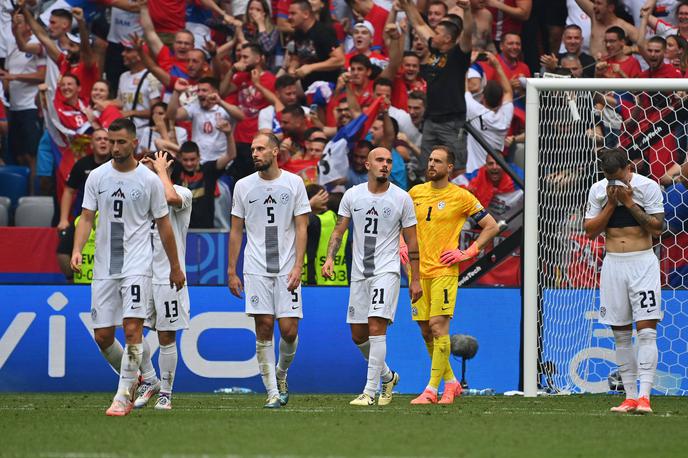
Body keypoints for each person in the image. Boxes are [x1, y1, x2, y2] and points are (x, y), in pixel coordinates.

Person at [70, 118, 185, 416]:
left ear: (134, 143)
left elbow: (164, 227)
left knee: (132, 328)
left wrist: (174, 266)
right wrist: (77, 249)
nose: (115, 147)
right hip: (105, 266)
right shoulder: (96, 176)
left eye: (121, 142)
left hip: (137, 264)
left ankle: (123, 394)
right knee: (103, 337)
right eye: (112, 141)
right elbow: (86, 217)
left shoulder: (148, 181)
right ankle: (141, 377)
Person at [322, 147, 423, 406]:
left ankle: (370, 391)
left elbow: (412, 241)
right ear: (367, 165)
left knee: (377, 326)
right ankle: (388, 376)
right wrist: (331, 257)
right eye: (380, 160)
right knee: (358, 334)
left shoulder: (401, 198)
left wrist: (415, 278)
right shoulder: (352, 195)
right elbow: (339, 230)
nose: (385, 165)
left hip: (385, 272)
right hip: (359, 274)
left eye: (389, 161)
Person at [406, 145, 498, 404]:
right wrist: (403, 245)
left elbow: (490, 226)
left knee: (438, 326)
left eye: (438, 161)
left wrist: (468, 252)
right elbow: (403, 224)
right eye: (430, 159)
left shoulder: (462, 196)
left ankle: (430, 390)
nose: (431, 164)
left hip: (444, 270)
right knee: (425, 330)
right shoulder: (415, 193)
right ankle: (451, 382)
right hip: (418, 270)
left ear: (449, 168)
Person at [227, 132, 311, 408]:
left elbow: (301, 226)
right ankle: (272, 392)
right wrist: (231, 270)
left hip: (287, 266)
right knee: (263, 327)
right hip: (255, 268)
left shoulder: (294, 183)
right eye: (253, 149)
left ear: (275, 152)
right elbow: (236, 230)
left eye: (261, 149)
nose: (255, 153)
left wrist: (298, 265)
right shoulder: (243, 186)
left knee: (289, 330)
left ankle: (281, 373)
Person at [583, 148, 664, 414]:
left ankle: (644, 397)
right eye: (610, 180)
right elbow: (591, 231)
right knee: (620, 336)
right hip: (613, 265)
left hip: (642, 263)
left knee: (647, 331)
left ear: (629, 168)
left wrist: (629, 203)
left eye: (618, 178)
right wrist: (610, 204)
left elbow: (656, 228)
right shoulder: (598, 190)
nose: (614, 184)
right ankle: (629, 397)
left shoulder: (648, 187)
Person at [134, 151, 193, 411]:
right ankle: (149, 379)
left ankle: (166, 393)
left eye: (152, 159)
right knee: (132, 330)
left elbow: (169, 197)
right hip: (140, 272)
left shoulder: (182, 192)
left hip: (168, 275)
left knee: (167, 336)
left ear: (166, 165)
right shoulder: (139, 197)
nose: (145, 163)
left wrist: (161, 172)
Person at [399, 0, 473, 172]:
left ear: (447, 38)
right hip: (431, 121)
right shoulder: (434, 50)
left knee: (455, 170)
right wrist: (408, 5)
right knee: (428, 169)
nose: (432, 34)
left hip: (451, 122)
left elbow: (468, 33)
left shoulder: (459, 55)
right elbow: (418, 24)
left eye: (437, 32)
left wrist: (467, 10)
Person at [56, 129, 112, 280]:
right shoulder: (82, 165)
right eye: (98, 139)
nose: (103, 141)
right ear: (92, 145)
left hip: (110, 218)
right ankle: (72, 281)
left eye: (106, 139)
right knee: (62, 252)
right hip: (83, 217)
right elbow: (68, 191)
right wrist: (63, 219)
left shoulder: (116, 164)